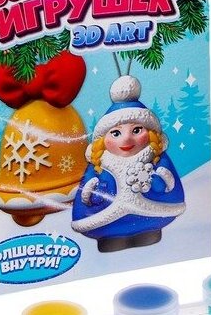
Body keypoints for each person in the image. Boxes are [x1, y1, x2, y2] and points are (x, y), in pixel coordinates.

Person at [71, 75, 185, 252]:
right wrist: (93, 195)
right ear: (103, 139)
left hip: (152, 216)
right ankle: (110, 240)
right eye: (116, 133)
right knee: (111, 242)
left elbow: (168, 183)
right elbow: (87, 193)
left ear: (151, 133)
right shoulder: (99, 164)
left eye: (137, 130)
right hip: (107, 221)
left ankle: (149, 233)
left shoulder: (156, 158)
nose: (126, 139)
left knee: (150, 236)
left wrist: (158, 182)